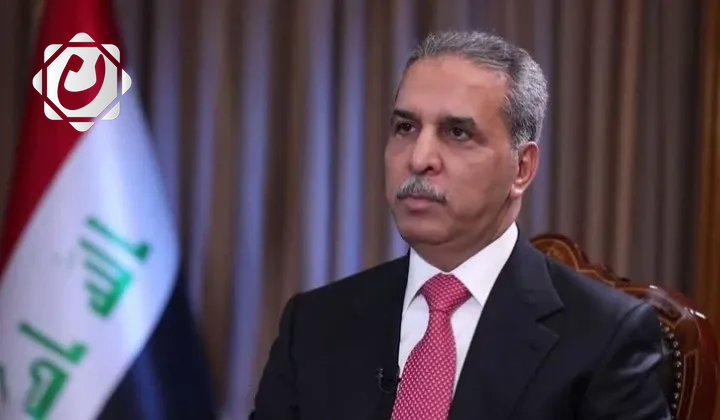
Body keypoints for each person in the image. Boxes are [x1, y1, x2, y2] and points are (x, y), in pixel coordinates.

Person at [249, 30, 670, 420]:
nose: (419, 158)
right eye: (405, 128)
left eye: (456, 133)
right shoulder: (314, 324)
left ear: (522, 168)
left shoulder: (605, 336)